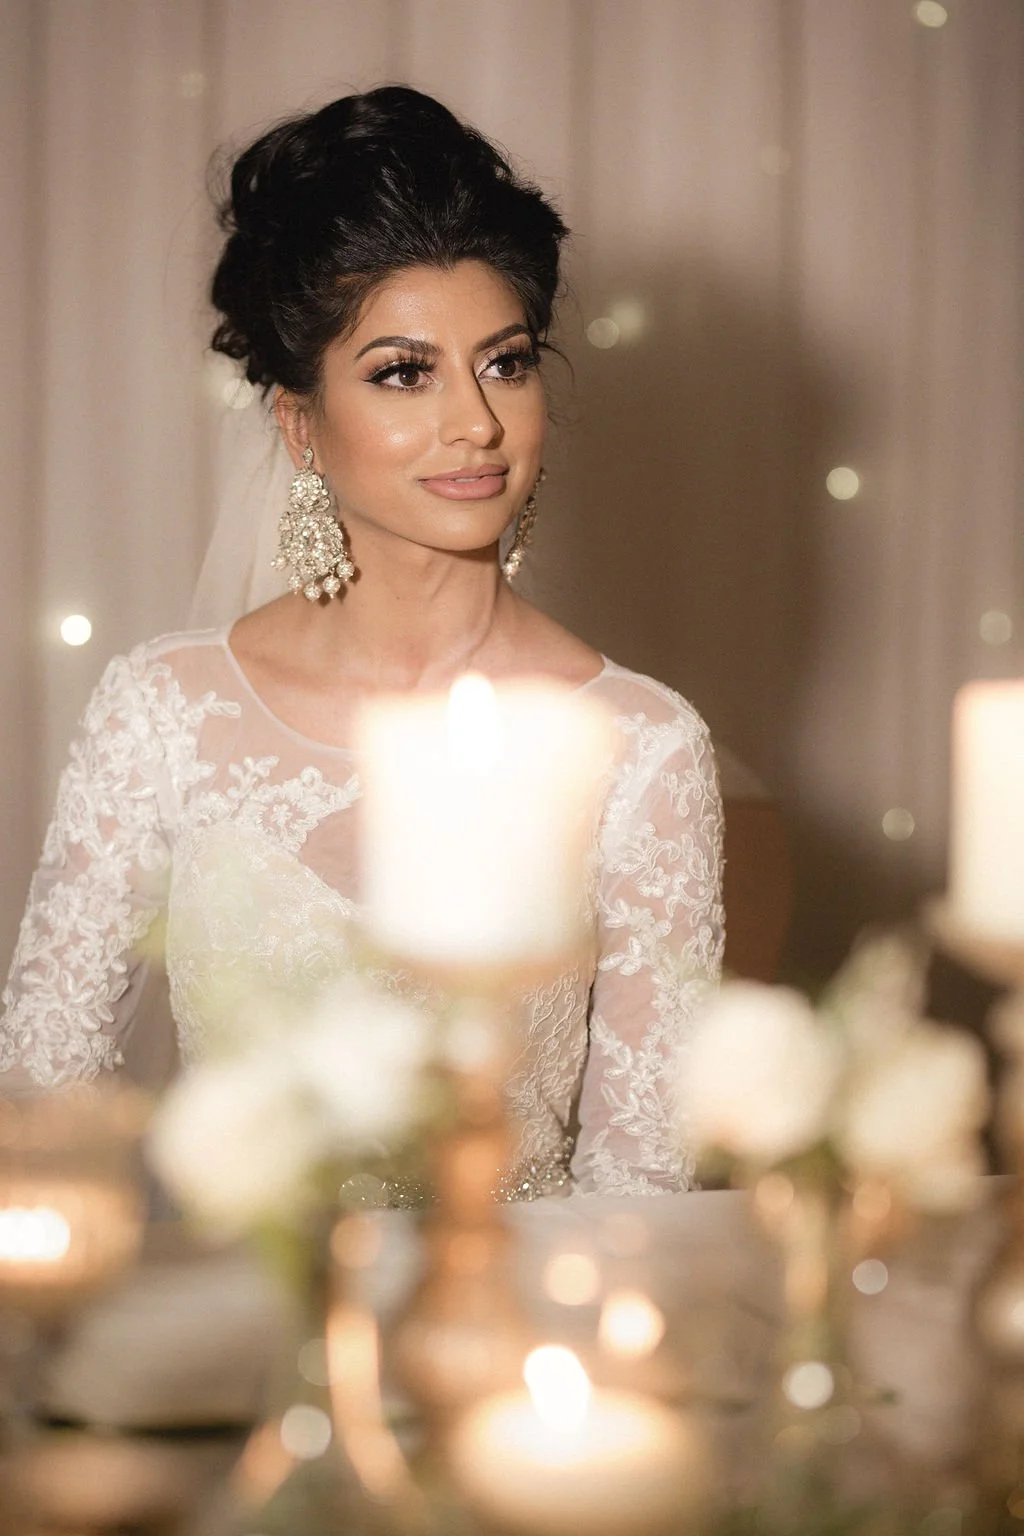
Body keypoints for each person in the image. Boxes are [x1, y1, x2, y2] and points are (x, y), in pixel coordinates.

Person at [0, 86, 724, 1197]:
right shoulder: (163, 711)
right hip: (239, 1332)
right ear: (300, 422)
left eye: (507, 361)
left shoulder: (642, 748)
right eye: (402, 372)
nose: (474, 422)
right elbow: (42, 1105)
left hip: (508, 1335)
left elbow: (643, 1183)